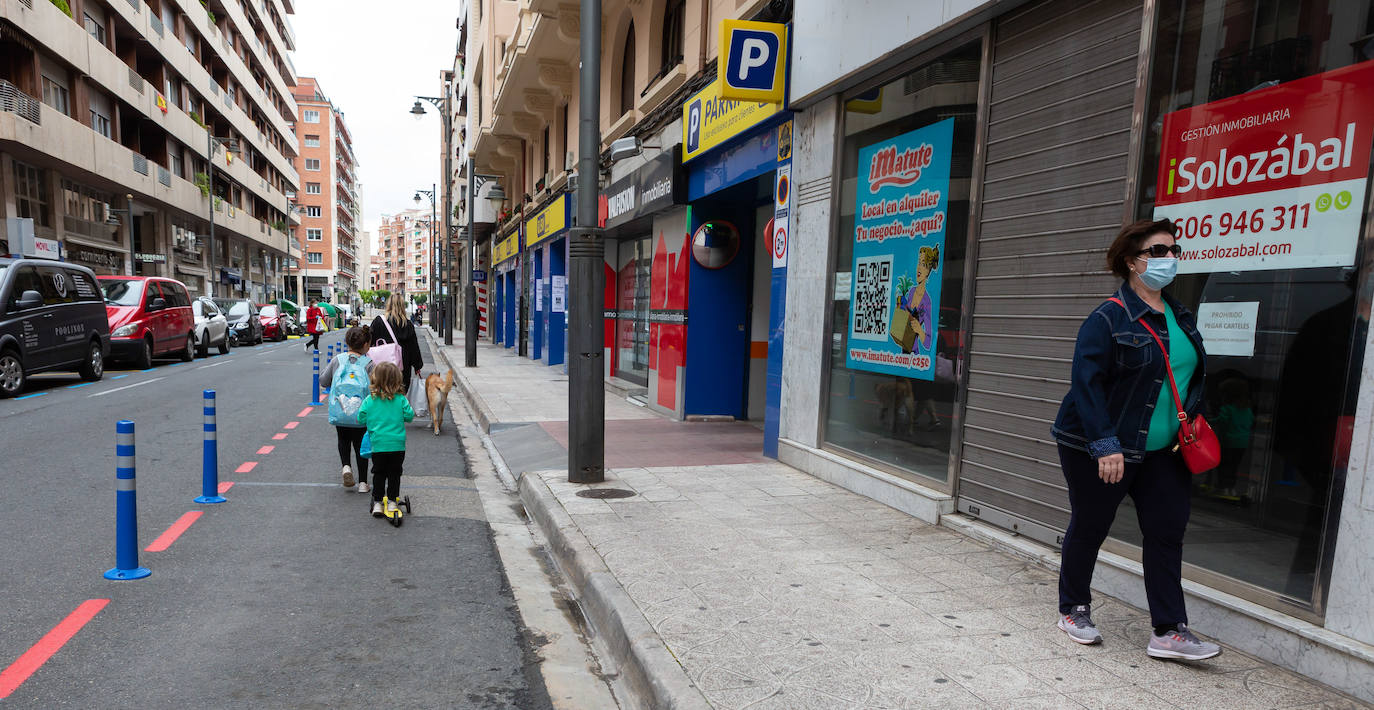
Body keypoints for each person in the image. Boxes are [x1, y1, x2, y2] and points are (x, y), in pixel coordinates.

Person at [1050, 218, 1221, 661]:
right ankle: (1074, 608)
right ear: (1132, 261)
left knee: (1167, 531)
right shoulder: (1107, 318)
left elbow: (1186, 378)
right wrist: (1105, 445)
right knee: (1091, 525)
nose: (1170, 258)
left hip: (1165, 449)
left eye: (1174, 250)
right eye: (1159, 251)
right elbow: (1085, 386)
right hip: (1104, 445)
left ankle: (1168, 630)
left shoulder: (1180, 315)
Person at [357, 362, 414, 519]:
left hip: (378, 445)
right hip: (397, 445)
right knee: (395, 473)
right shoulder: (401, 399)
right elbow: (409, 416)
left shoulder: (370, 400)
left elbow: (360, 417)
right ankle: (392, 501)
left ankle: (377, 502)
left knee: (379, 472)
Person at [320, 326, 374, 494]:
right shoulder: (369, 363)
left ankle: (346, 467)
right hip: (361, 414)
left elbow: (323, 380)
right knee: (361, 446)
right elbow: (375, 387)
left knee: (343, 439)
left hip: (340, 411)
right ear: (366, 345)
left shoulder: (338, 360)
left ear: (347, 342)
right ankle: (364, 483)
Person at [370, 293, 424, 392]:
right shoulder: (408, 325)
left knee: (381, 393)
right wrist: (417, 365)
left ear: (388, 305)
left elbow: (369, 342)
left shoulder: (379, 322)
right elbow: (414, 348)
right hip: (403, 369)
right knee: (400, 395)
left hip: (382, 368)